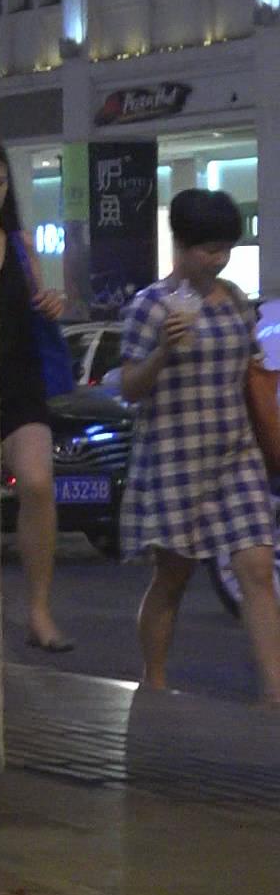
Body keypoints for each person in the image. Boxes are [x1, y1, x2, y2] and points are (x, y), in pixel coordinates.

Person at [117, 187, 280, 704]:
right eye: (209, 249)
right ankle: (154, 682)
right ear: (182, 245)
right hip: (174, 457)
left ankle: (275, 692)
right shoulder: (150, 306)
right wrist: (164, 349)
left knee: (257, 567)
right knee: (173, 575)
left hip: (235, 452)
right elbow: (129, 388)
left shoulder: (234, 300)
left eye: (226, 248)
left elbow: (250, 366)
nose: (219, 259)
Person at [0, 151, 71, 653]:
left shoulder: (21, 244)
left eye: (1, 180)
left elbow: (41, 301)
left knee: (38, 483)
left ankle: (39, 611)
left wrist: (52, 301)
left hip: (20, 374)